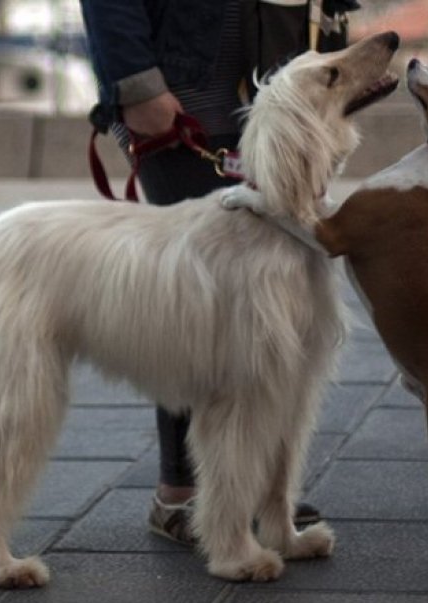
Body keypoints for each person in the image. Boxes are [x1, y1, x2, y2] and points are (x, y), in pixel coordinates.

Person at [81, 0, 359, 544]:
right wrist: (138, 87)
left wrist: (332, 71)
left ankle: (251, 492)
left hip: (280, 92)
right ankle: (181, 491)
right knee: (198, 307)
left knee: (270, 318)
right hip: (183, 96)